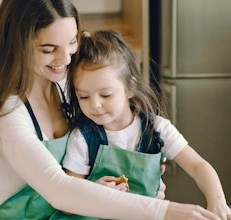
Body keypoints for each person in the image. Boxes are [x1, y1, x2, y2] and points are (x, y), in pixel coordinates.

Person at [0, 0, 224, 219]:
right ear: (17, 44)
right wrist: (164, 211)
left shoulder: (61, 87)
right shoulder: (7, 112)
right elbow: (59, 189)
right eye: (48, 49)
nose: (65, 58)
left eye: (71, 43)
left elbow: (80, 172)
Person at [63, 29, 231, 219]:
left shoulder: (157, 129)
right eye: (83, 96)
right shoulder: (83, 137)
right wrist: (94, 191)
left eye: (106, 94)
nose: (94, 104)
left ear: (130, 88)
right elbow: (66, 201)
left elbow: (198, 166)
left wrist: (217, 200)